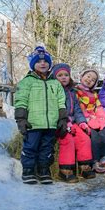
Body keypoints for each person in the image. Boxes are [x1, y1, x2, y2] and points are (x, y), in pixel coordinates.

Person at [14, 46, 67, 184]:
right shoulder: (27, 82)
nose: (42, 63)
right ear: (33, 65)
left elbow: (61, 102)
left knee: (47, 149)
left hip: (50, 124)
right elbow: (21, 101)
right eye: (38, 61)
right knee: (30, 147)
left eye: (45, 61)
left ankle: (44, 170)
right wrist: (21, 119)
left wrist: (62, 119)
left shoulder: (55, 83)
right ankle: (28, 171)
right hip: (33, 123)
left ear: (49, 64)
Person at [52, 63, 95, 182]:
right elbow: (54, 110)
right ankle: (65, 170)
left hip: (73, 122)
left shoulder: (72, 91)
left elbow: (77, 109)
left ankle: (84, 166)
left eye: (66, 75)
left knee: (84, 138)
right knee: (68, 140)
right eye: (60, 75)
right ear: (54, 77)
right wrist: (65, 122)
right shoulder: (53, 91)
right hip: (59, 123)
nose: (64, 77)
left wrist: (82, 122)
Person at [76, 69, 105, 173]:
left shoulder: (94, 94)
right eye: (88, 76)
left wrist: (101, 119)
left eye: (93, 80)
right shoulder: (76, 92)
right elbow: (79, 107)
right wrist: (89, 119)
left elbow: (99, 108)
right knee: (94, 135)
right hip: (84, 119)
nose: (89, 80)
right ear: (82, 76)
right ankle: (95, 161)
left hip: (95, 118)